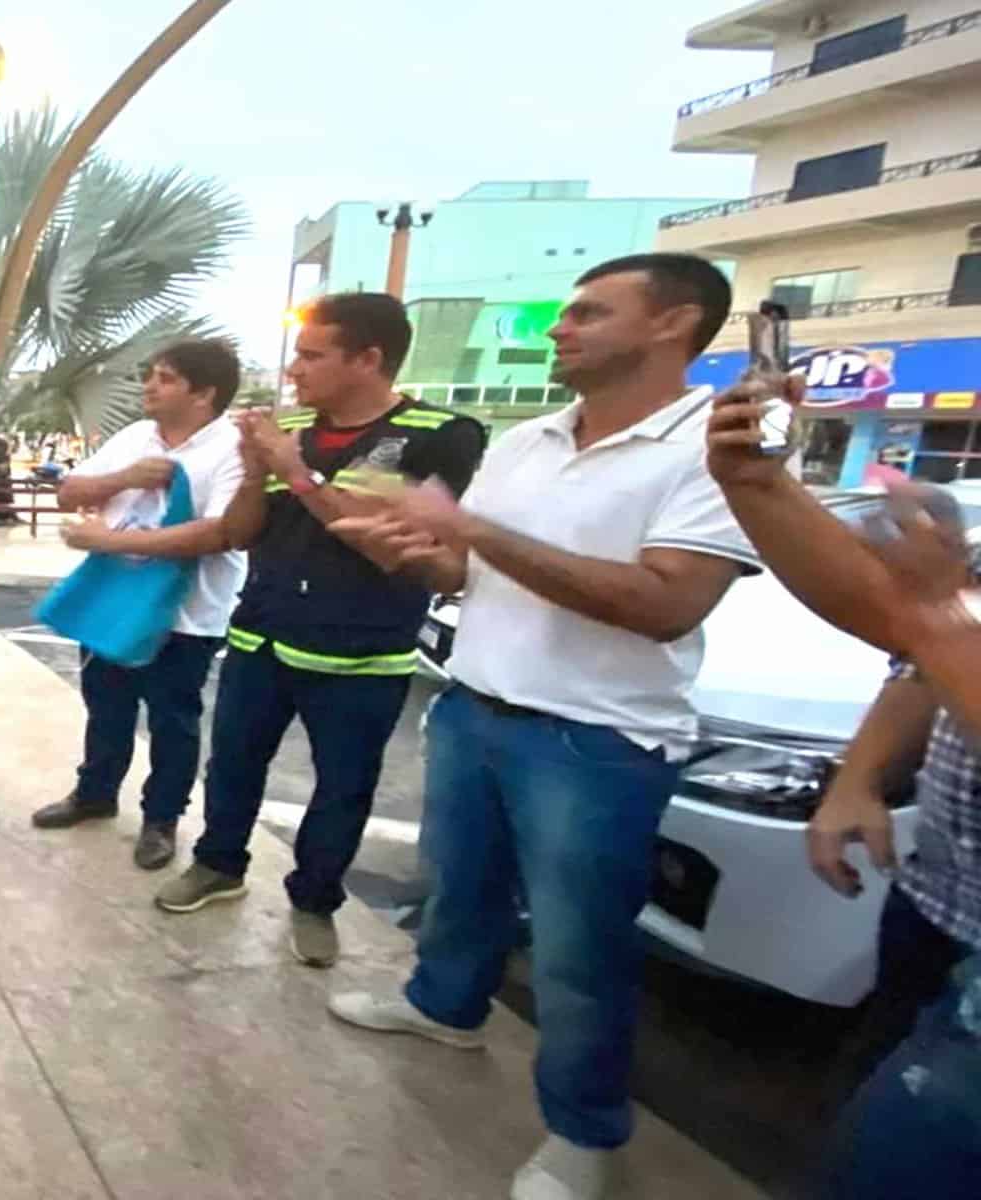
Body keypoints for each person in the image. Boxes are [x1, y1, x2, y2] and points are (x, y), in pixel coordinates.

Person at [320, 254, 762, 1200]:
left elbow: (665, 605)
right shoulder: (529, 442)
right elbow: (466, 575)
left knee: (577, 956)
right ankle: (444, 1007)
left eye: (590, 313)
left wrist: (473, 537)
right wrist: (410, 550)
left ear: (674, 326)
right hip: (476, 707)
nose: (558, 329)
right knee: (459, 896)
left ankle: (585, 1132)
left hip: (596, 742)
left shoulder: (716, 448)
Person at [153, 296, 487, 969]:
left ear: (367, 359)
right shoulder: (290, 429)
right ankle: (219, 865)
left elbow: (371, 535)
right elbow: (243, 531)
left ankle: (314, 902)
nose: (294, 370)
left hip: (362, 652)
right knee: (234, 766)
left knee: (343, 785)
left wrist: (293, 469)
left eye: (311, 355)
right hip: (262, 636)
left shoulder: (438, 433)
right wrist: (256, 472)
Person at [704, 390, 981, 1197]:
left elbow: (931, 625)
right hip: (939, 899)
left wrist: (931, 608)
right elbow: (924, 649)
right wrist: (758, 484)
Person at [29, 339, 248, 869]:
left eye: (166, 378)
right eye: (150, 374)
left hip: (187, 615)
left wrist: (111, 543)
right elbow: (69, 493)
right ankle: (95, 794)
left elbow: (219, 533)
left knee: (173, 721)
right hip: (113, 602)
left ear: (205, 394)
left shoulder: (233, 450)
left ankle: (161, 819)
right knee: (106, 708)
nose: (149, 386)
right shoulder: (134, 437)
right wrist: (125, 478)